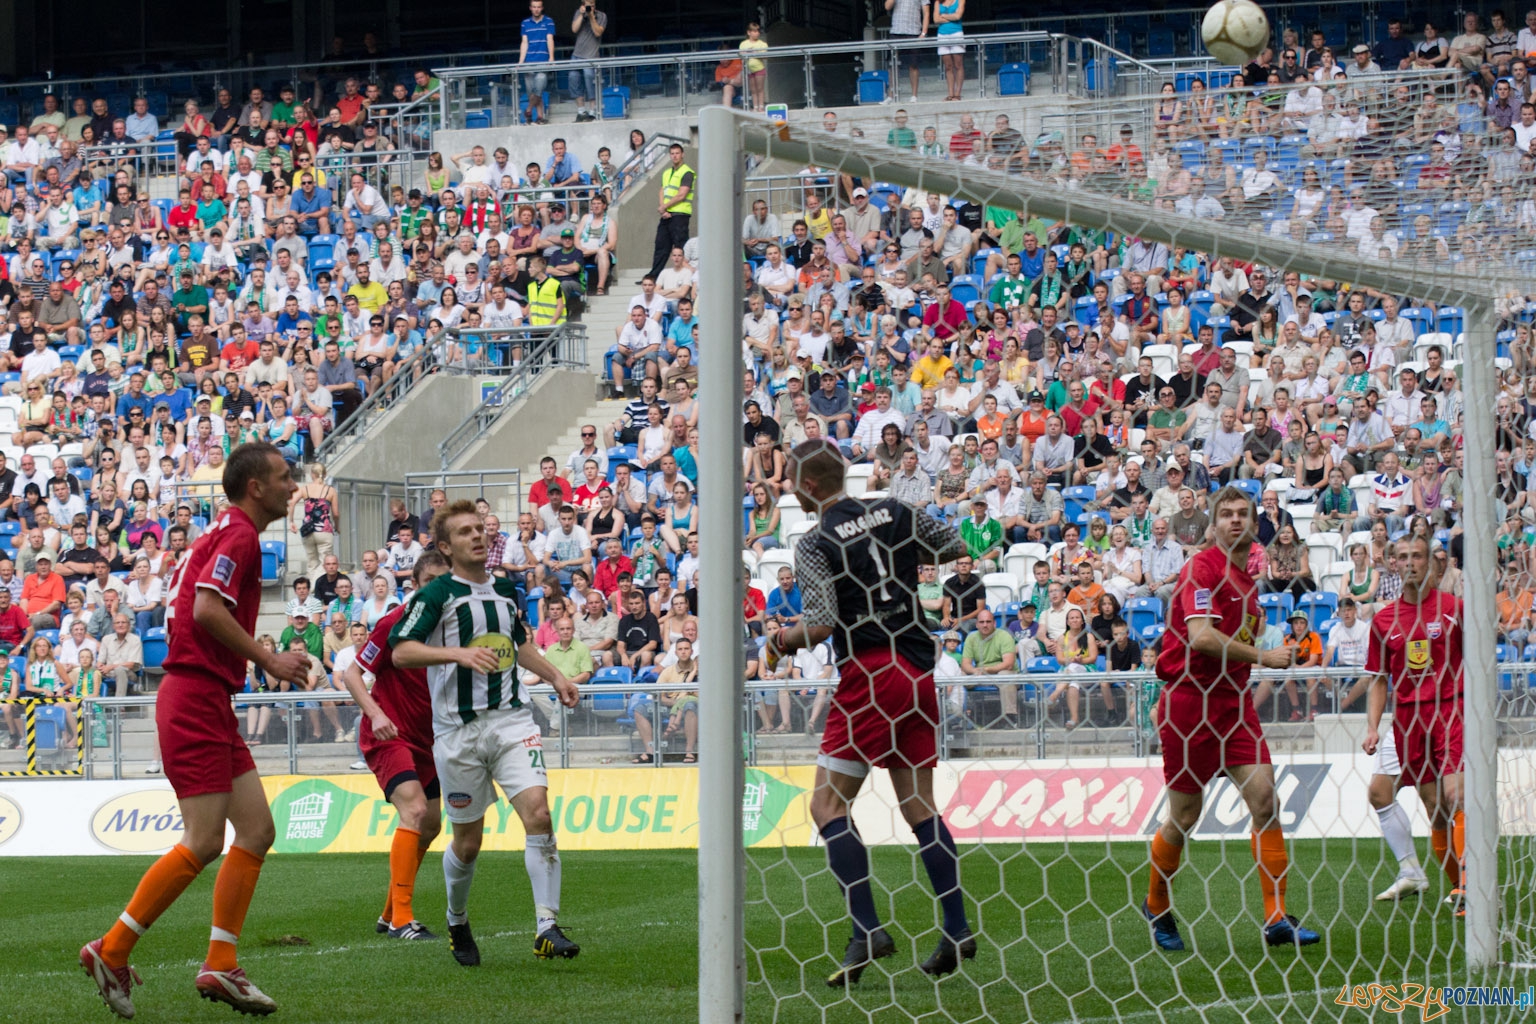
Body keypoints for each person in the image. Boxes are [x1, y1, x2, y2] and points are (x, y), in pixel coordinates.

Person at [81, 443, 311, 1018]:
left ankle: (220, 963)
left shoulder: (224, 534)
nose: (293, 486)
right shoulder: (239, 537)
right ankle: (112, 949)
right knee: (205, 840)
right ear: (255, 487)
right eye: (284, 477)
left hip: (204, 695)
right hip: (194, 695)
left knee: (256, 830)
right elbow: (208, 609)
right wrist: (269, 658)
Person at [766, 439, 976, 984]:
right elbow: (953, 543)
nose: (790, 487)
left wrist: (777, 644)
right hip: (917, 668)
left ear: (809, 486)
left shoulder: (814, 543)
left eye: (792, 479)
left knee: (827, 807)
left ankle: (867, 930)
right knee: (919, 807)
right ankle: (955, 926)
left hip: (870, 672)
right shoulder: (895, 508)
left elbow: (822, 623)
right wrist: (902, 557)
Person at [389, 500, 581, 966]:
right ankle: (457, 918)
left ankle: (546, 926)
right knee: (468, 843)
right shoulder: (435, 596)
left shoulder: (508, 590)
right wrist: (457, 655)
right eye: (465, 532)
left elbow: (519, 645)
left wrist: (556, 676)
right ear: (445, 546)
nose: (478, 536)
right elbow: (402, 653)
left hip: (512, 721)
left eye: (481, 529)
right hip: (458, 733)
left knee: (539, 813)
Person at [1141, 486, 1320, 953]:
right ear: (1213, 524)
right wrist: (1264, 655)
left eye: (1244, 514)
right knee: (1185, 815)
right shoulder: (1201, 568)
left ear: (1255, 524)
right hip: (1190, 704)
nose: (1235, 521)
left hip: (1234, 705)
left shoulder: (1248, 588)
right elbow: (1200, 638)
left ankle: (1277, 916)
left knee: (1265, 799)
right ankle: (1156, 903)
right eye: (1226, 514)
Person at [341, 550, 451, 941]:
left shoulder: (453, 630)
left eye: (446, 581)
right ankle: (404, 919)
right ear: (416, 587)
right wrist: (375, 713)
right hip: (389, 735)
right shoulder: (395, 623)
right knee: (416, 810)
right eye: (432, 582)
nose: (440, 590)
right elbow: (352, 674)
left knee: (433, 825)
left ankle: (389, 914)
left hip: (430, 743)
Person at [1360, 535, 1467, 913]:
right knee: (1435, 806)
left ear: (1431, 563)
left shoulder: (1455, 609)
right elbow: (1377, 678)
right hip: (1407, 720)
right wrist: (1373, 727)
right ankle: (1457, 884)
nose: (1410, 563)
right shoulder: (1383, 620)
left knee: (1456, 794)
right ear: (1392, 564)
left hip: (1451, 709)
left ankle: (1471, 885)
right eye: (1402, 557)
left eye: (1417, 556)